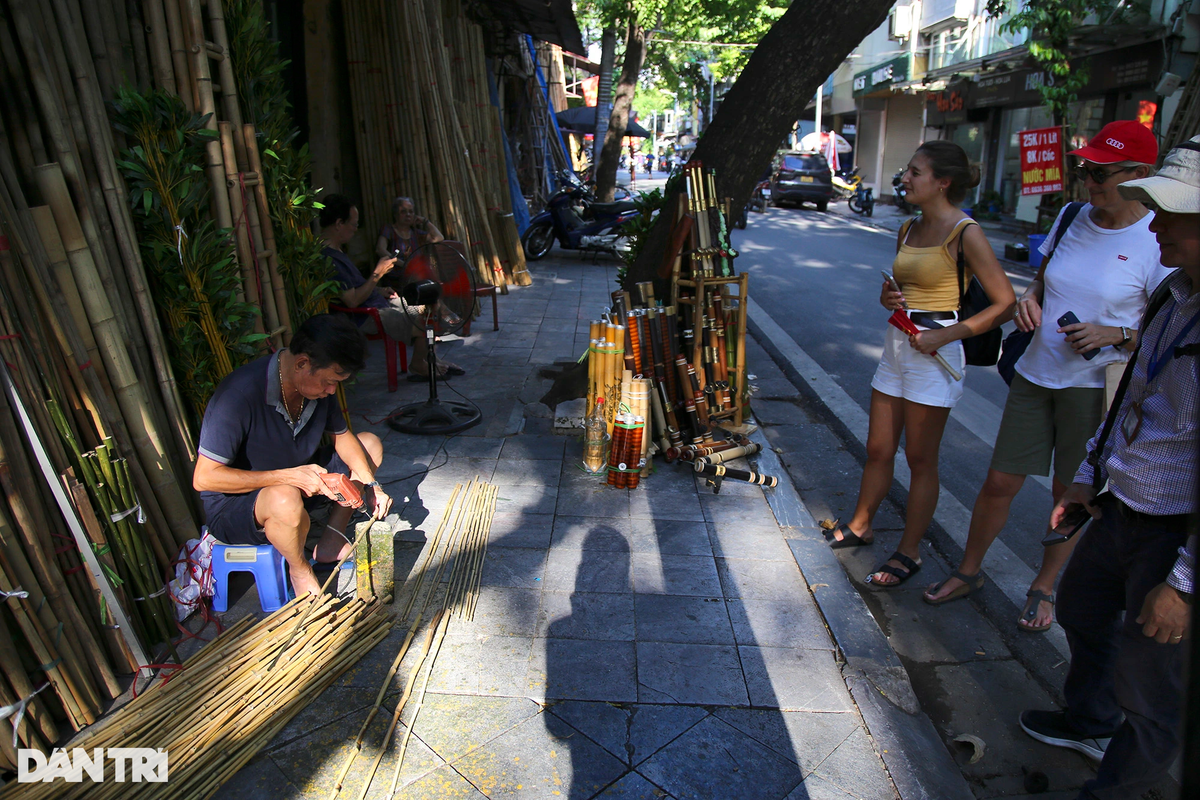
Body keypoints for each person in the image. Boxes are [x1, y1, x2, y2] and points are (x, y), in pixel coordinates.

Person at [923, 122, 1167, 633]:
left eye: (1100, 172)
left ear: (1140, 175)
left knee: (1068, 495)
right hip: (1037, 372)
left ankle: (1044, 585)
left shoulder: (1157, 239)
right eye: (1084, 169)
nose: (1088, 181)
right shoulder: (1073, 215)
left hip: (1096, 387)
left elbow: (1166, 330)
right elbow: (1040, 282)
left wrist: (1116, 333)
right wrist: (1029, 301)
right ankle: (969, 570)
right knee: (999, 480)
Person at [1019, 135, 1199, 800]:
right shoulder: (1173, 296)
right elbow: (1134, 397)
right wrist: (1090, 476)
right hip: (1122, 504)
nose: (1159, 226)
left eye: (1175, 215)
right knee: (1082, 608)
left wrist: (1182, 585)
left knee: (1153, 695)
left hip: (1174, 532)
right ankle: (1090, 719)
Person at [825, 141, 1015, 590]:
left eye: (915, 172)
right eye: (906, 170)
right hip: (898, 343)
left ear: (942, 182)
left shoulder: (964, 232)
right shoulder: (907, 228)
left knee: (920, 457)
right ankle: (861, 524)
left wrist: (947, 335)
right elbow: (902, 289)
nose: (904, 178)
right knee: (877, 448)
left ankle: (909, 552)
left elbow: (1006, 303)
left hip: (937, 352)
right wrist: (887, 297)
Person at [193, 314, 393, 599]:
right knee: (284, 496)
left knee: (368, 445)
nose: (332, 390)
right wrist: (288, 477)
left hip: (301, 483)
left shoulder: (316, 386)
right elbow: (204, 479)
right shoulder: (238, 395)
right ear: (302, 364)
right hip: (240, 505)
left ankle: (330, 541)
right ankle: (299, 569)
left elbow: (342, 435)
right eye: (328, 382)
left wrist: (370, 483)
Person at [320, 195, 462, 379]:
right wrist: (377, 275)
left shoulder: (338, 250)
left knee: (428, 304)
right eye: (354, 224)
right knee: (424, 317)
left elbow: (353, 288)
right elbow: (352, 301)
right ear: (339, 223)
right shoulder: (328, 258)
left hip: (377, 301)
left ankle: (430, 359)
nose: (356, 230)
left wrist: (378, 289)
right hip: (366, 315)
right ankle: (419, 364)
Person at [375, 196, 444, 263]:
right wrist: (401, 263)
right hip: (396, 272)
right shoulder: (389, 230)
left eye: (411, 212)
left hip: (416, 272)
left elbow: (439, 237)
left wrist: (425, 221)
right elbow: (380, 249)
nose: (408, 214)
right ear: (395, 214)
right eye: (403, 211)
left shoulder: (416, 233)